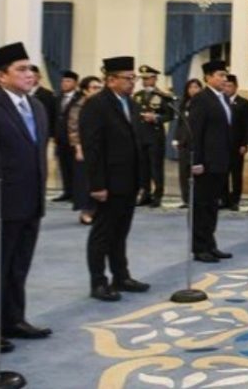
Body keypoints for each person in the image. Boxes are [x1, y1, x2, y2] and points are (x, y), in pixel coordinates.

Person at [0, 42, 52, 353]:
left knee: (18, 267)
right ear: (0, 76)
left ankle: (14, 320)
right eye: (21, 69)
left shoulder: (37, 106)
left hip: (31, 202)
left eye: (30, 68)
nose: (29, 74)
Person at [80, 56, 150, 302]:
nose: (133, 82)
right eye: (128, 78)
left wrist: (141, 179)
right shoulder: (96, 105)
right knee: (103, 233)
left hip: (129, 179)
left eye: (134, 78)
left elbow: (135, 142)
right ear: (111, 80)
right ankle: (98, 282)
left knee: (120, 232)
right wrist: (97, 185)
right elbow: (93, 148)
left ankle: (121, 276)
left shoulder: (130, 103)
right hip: (108, 182)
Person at [188, 61, 234, 263]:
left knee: (213, 205)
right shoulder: (201, 99)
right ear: (208, 77)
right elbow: (195, 133)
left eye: (225, 75)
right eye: (220, 75)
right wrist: (196, 161)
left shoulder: (223, 98)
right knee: (202, 206)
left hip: (220, 161)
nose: (224, 79)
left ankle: (210, 244)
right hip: (205, 163)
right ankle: (200, 247)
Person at [132, 65, 173, 208]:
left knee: (156, 167)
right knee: (143, 167)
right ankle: (145, 193)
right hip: (140, 135)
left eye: (148, 78)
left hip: (155, 135)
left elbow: (170, 115)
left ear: (155, 79)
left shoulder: (163, 96)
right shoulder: (137, 95)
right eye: (143, 79)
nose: (145, 81)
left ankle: (158, 195)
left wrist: (156, 118)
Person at [69, 76, 104, 226]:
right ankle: (86, 211)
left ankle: (97, 211)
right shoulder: (79, 106)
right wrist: (78, 148)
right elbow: (73, 129)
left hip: (100, 148)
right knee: (85, 181)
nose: (98, 91)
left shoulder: (101, 104)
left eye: (100, 88)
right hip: (84, 148)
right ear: (85, 90)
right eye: (94, 88)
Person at [223, 75, 248, 211]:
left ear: (235, 87)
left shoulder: (243, 103)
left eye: (230, 86)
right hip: (222, 145)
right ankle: (224, 199)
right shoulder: (220, 101)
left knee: (236, 174)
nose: (227, 89)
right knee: (222, 173)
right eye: (225, 86)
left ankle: (235, 200)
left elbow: (247, 125)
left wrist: (245, 143)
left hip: (237, 145)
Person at [175, 79, 203, 209]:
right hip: (184, 143)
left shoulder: (204, 103)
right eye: (190, 87)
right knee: (183, 172)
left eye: (196, 87)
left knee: (196, 172)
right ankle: (186, 199)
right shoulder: (184, 104)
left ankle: (197, 198)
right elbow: (179, 123)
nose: (193, 90)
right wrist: (176, 139)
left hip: (197, 143)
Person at [54, 70, 81, 203]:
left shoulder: (80, 98)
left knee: (75, 166)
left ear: (75, 83)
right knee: (63, 166)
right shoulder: (58, 98)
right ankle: (67, 191)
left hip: (74, 139)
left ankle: (76, 193)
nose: (64, 83)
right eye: (63, 81)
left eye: (68, 81)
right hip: (60, 138)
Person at [29, 65, 58, 139]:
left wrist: (51, 134)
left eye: (33, 75)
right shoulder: (21, 92)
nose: (30, 78)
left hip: (42, 131)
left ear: (39, 77)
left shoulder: (47, 94)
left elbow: (52, 115)